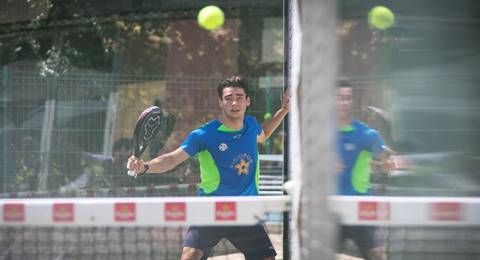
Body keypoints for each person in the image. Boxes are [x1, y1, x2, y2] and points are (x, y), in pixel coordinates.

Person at [127, 75, 290, 260]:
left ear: (247, 101)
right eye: (228, 98)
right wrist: (145, 166)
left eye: (239, 96)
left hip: (245, 210)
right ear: (220, 102)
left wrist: (284, 109)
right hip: (211, 208)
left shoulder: (251, 126)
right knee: (190, 257)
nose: (234, 102)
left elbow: (265, 133)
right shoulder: (204, 134)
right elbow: (172, 159)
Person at [336, 78, 394, 260]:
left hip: (361, 208)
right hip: (332, 209)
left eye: (348, 97)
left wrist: (388, 162)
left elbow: (387, 157)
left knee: (376, 254)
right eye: (340, 97)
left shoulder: (366, 134)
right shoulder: (320, 134)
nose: (344, 102)